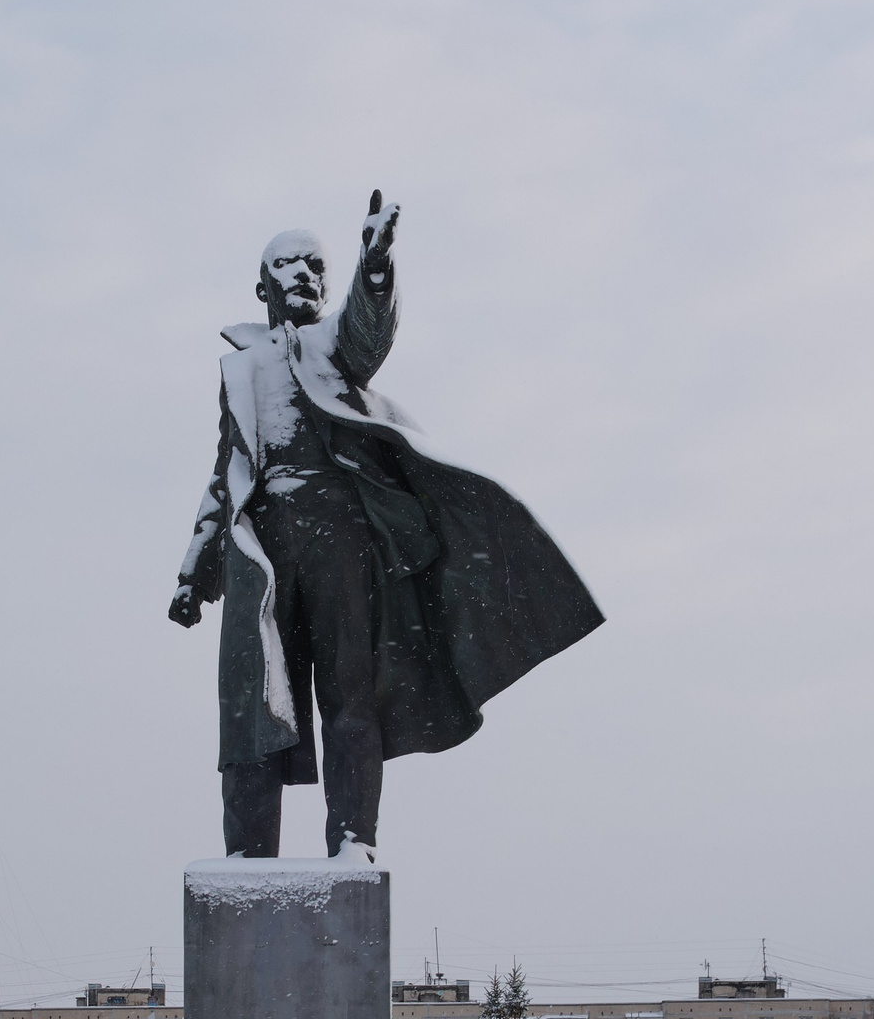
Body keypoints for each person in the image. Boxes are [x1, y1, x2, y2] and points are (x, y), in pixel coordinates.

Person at [170, 192, 603, 860]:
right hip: (262, 550)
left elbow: (367, 333)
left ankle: (352, 843)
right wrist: (194, 569)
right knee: (251, 707)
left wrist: (375, 267)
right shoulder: (240, 369)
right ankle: (246, 861)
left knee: (350, 693)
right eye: (290, 265)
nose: (306, 276)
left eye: (317, 266)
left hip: (341, 537)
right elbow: (226, 469)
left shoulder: (333, 350)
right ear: (263, 284)